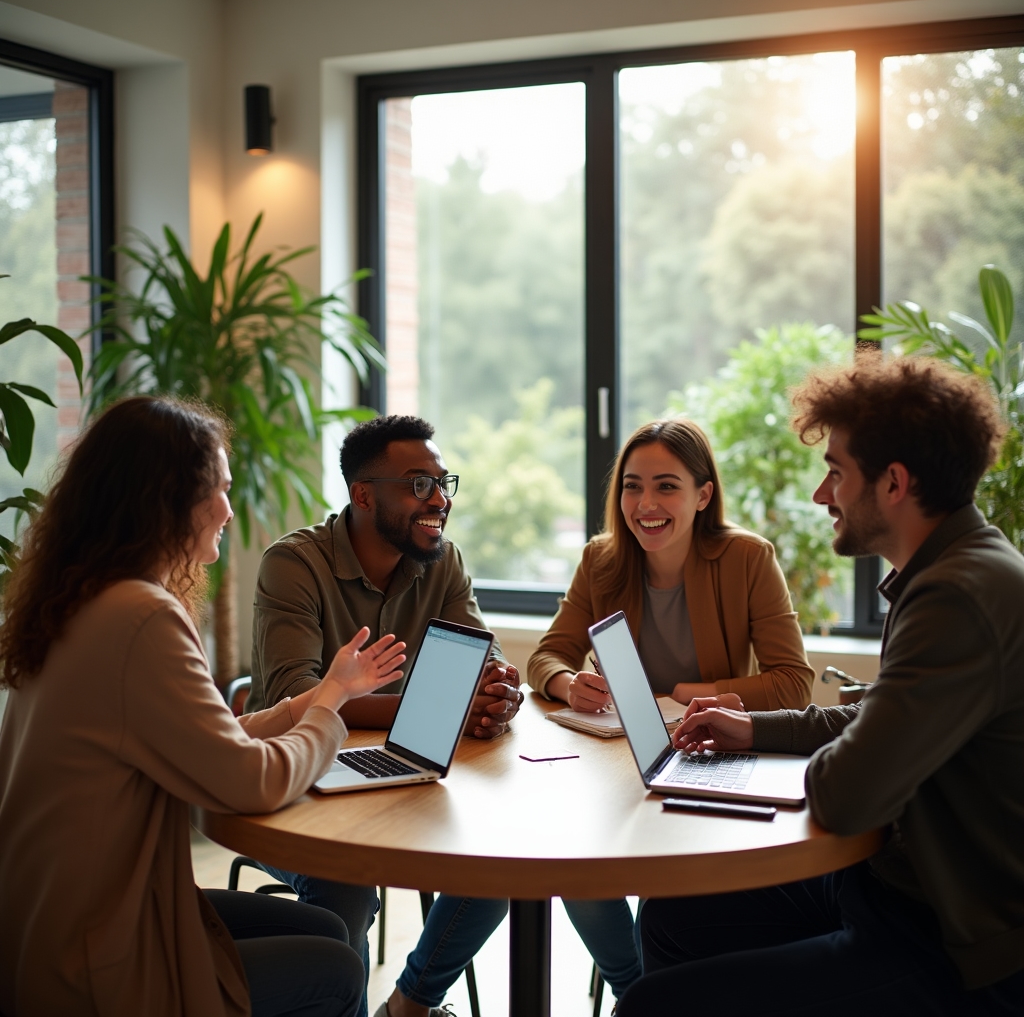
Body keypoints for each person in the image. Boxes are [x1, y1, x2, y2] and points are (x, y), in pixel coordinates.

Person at [618, 355, 1024, 1016]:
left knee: (653, 1006)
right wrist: (753, 729)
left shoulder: (958, 596)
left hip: (953, 946)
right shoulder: (951, 566)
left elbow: (845, 794)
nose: (821, 495)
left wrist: (842, 752)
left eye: (836, 472)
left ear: (893, 483)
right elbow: (884, 720)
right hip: (894, 891)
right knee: (675, 913)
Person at [0, 396, 409, 1017]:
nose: (226, 508)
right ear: (160, 501)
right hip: (95, 963)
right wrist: (331, 703)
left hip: (44, 927)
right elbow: (251, 781)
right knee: (337, 966)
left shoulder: (80, 600)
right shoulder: (142, 615)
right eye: (214, 490)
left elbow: (208, 738)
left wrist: (312, 701)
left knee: (327, 930)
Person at [527, 417, 814, 1002]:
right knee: (579, 868)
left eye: (666, 485)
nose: (645, 503)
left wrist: (683, 694)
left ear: (703, 494)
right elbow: (548, 655)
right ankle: (641, 995)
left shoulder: (747, 559)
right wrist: (564, 683)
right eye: (632, 486)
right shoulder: (601, 559)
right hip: (614, 764)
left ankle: (651, 997)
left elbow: (794, 686)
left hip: (705, 758)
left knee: (673, 895)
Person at [246, 414, 523, 1017]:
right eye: (419, 483)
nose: (440, 499)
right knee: (344, 888)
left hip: (396, 776)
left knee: (502, 865)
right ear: (364, 494)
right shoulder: (293, 565)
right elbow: (303, 694)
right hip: (290, 787)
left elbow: (483, 653)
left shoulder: (440, 561)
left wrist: (497, 688)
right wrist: (437, 706)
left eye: (443, 481)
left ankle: (409, 1007)